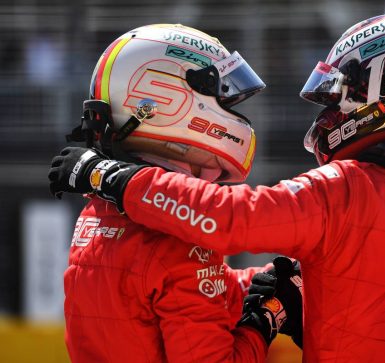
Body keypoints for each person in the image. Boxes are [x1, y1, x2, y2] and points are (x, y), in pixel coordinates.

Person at [50, 14, 385, 362]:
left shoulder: (346, 190)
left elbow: (229, 219)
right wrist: (266, 288)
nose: (331, 111)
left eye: (341, 95)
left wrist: (105, 175)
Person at [51, 23, 302, 363]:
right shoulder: (178, 230)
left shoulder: (100, 207)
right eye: (224, 97)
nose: (234, 111)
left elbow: (171, 291)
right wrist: (269, 316)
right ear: (165, 97)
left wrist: (260, 282)